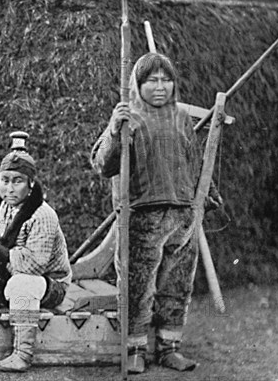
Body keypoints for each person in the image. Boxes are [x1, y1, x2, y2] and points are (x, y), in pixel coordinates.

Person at [90, 52, 223, 374]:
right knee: (138, 287)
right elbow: (103, 165)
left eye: (166, 80)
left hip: (182, 216)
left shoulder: (181, 117)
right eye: (152, 80)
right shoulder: (129, 116)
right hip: (142, 217)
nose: (160, 87)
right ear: (138, 84)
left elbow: (193, 163)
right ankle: (134, 348)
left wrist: (206, 200)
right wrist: (113, 129)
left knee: (177, 285)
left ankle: (168, 348)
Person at [0, 131, 72, 373]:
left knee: (22, 284)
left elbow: (33, 266)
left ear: (31, 184)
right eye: (4, 180)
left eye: (17, 181)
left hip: (49, 284)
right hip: (6, 276)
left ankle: (22, 354)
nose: (9, 188)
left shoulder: (42, 214)